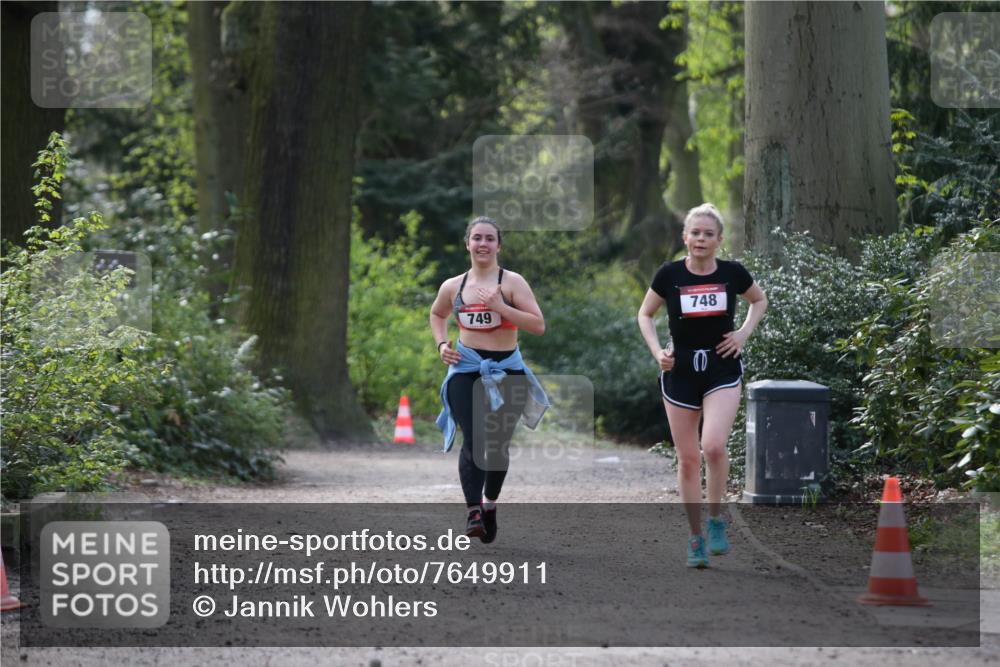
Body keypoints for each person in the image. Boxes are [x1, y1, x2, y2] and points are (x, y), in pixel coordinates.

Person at [636, 203, 768, 568]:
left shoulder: (732, 273)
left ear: (719, 240)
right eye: (695, 233)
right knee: (689, 458)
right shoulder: (669, 274)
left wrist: (742, 335)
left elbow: (759, 300)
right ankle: (695, 537)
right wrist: (656, 352)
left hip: (721, 368)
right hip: (679, 371)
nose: (701, 239)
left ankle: (715, 522)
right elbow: (644, 314)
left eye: (708, 234)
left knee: (712, 445)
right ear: (685, 237)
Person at [430, 216, 548, 543]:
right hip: (465, 370)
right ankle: (473, 513)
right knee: (475, 439)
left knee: (496, 447)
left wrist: (502, 307)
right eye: (477, 238)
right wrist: (441, 344)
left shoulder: (512, 283)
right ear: (467, 243)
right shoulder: (453, 286)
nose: (483, 244)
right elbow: (437, 314)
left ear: (499, 245)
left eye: (490, 239)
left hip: (507, 370)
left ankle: (490, 504)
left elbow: (538, 325)